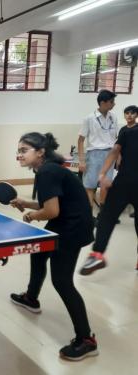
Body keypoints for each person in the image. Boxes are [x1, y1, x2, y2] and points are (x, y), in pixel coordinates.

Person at [9, 132, 97, 361]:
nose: (19, 154)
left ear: (40, 152)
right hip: (67, 219)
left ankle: (86, 340)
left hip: (72, 226)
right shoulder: (47, 169)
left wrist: (32, 216)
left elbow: (51, 211)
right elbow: (52, 202)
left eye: (24, 150)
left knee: (62, 281)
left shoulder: (47, 172)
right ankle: (31, 297)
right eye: (18, 150)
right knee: (39, 253)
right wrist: (26, 202)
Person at [80, 121, 138, 275]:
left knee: (107, 217)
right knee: (108, 217)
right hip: (125, 182)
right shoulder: (127, 131)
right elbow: (115, 150)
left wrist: (102, 173)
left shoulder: (128, 131)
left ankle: (97, 254)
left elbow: (114, 151)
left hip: (124, 182)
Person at [78, 90, 119, 222]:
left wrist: (118, 155)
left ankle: (103, 214)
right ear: (103, 102)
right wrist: (82, 161)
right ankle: (89, 215)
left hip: (110, 153)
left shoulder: (114, 117)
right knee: (90, 186)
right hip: (94, 154)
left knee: (106, 185)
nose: (114, 104)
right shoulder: (89, 118)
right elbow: (80, 140)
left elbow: (116, 138)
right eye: (112, 102)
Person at [117, 105, 137, 219]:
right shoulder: (123, 129)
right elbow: (118, 146)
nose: (129, 115)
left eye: (132, 113)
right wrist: (118, 158)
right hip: (124, 163)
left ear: (136, 115)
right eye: (127, 113)